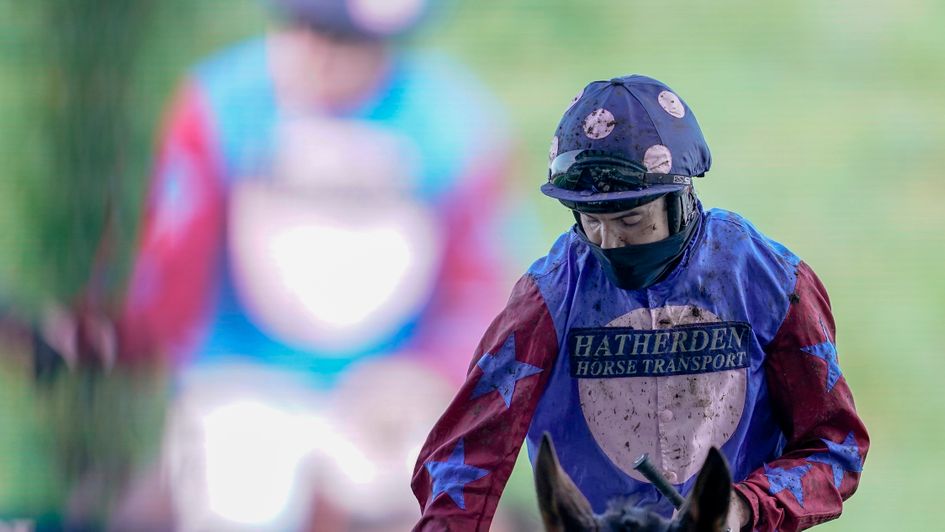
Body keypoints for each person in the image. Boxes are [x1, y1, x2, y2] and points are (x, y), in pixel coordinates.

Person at [56, 0, 514, 529]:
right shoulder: (220, 105)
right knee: (241, 495)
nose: (324, 57)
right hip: (240, 382)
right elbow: (168, 280)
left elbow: (475, 294)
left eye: (351, 43)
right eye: (308, 30)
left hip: (387, 399)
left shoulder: (456, 124)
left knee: (430, 497)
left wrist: (429, 372)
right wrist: (114, 336)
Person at [410, 75, 869, 531]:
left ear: (681, 198)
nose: (609, 242)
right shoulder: (546, 297)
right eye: (590, 221)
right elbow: (467, 452)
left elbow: (835, 446)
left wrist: (744, 506)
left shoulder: (772, 282)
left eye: (630, 219)